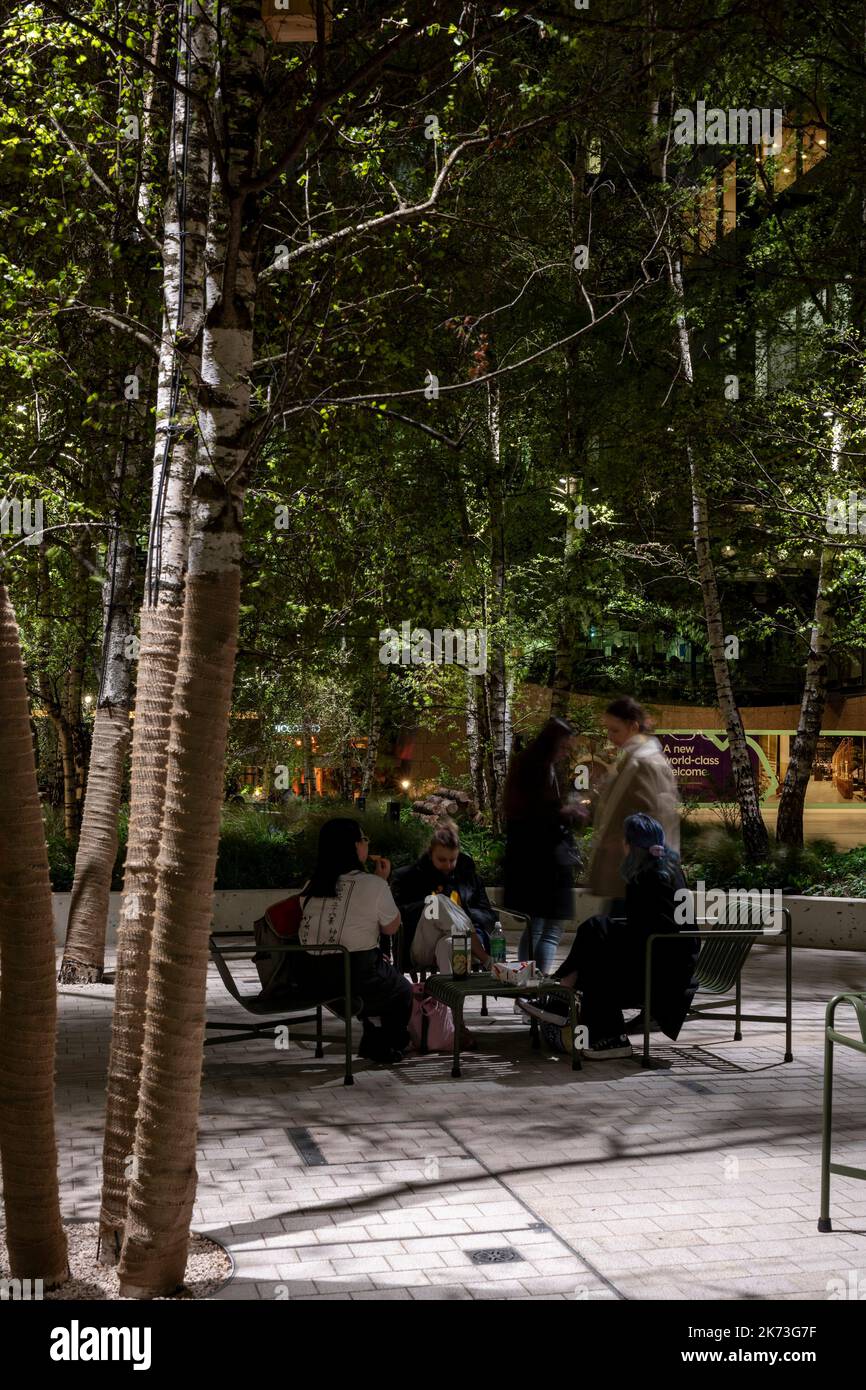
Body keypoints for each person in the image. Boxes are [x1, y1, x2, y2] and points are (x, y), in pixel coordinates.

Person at [520, 814, 700, 1060]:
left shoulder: (649, 877)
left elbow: (649, 932)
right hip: (666, 959)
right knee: (596, 945)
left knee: (595, 932)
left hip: (665, 970)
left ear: (631, 845)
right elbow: (647, 928)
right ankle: (606, 1034)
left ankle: (564, 994)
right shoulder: (666, 869)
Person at [293, 817, 412, 1065]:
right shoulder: (372, 885)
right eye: (364, 839)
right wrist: (382, 881)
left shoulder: (310, 886)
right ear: (354, 846)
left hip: (310, 977)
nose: (367, 844)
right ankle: (389, 1042)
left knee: (377, 976)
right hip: (355, 977)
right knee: (400, 989)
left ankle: (374, 1038)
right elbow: (391, 928)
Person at [582, 697, 680, 912]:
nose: (610, 737)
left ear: (633, 726)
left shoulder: (644, 762)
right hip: (631, 871)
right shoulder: (635, 759)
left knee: (619, 932)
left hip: (634, 873)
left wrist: (619, 840)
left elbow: (654, 817)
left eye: (614, 730)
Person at [502, 716, 580, 975]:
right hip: (543, 863)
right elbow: (539, 815)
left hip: (534, 861)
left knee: (538, 928)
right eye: (564, 746)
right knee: (547, 930)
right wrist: (567, 812)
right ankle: (534, 992)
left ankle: (528, 991)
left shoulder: (532, 765)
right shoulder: (536, 768)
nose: (566, 752)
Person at [392, 818, 496, 972]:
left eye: (452, 860)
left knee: (448, 943)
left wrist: (460, 915)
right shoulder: (409, 877)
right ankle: (486, 959)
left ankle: (448, 996)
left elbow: (488, 915)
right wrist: (432, 907)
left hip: (459, 944)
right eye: (442, 860)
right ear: (430, 854)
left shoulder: (469, 877)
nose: (448, 865)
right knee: (438, 901)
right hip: (423, 945)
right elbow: (398, 915)